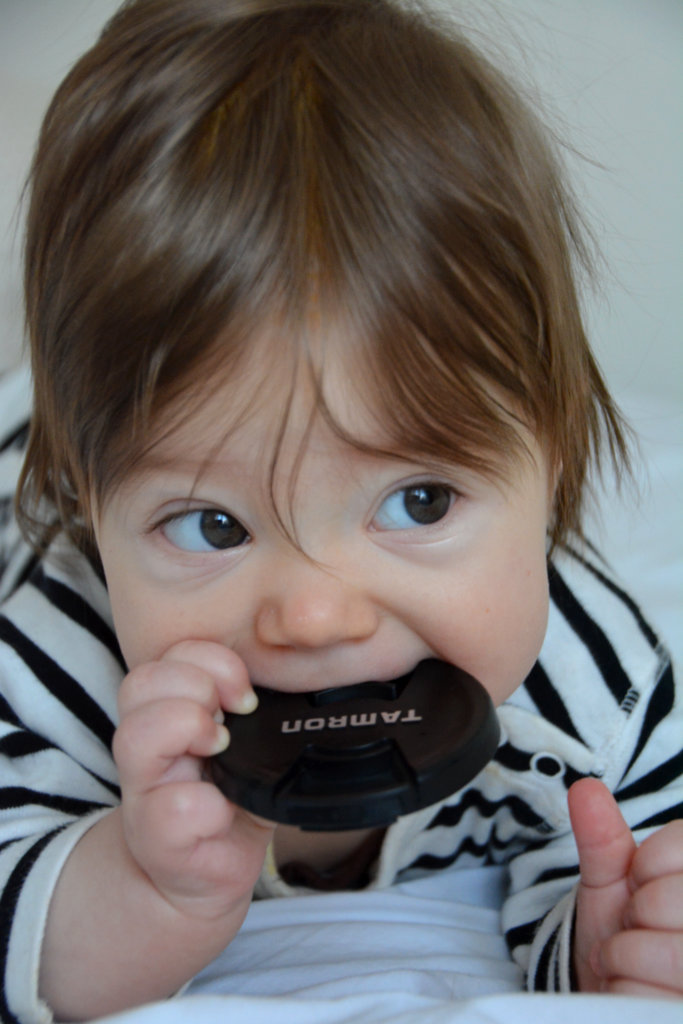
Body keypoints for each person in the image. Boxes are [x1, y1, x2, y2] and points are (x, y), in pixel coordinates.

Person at [0, 0, 680, 1019]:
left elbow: (603, 869)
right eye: (211, 526)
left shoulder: (601, 688)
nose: (315, 617)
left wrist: (596, 943)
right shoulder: (62, 666)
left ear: (553, 458)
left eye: (418, 499)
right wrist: (138, 887)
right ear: (89, 505)